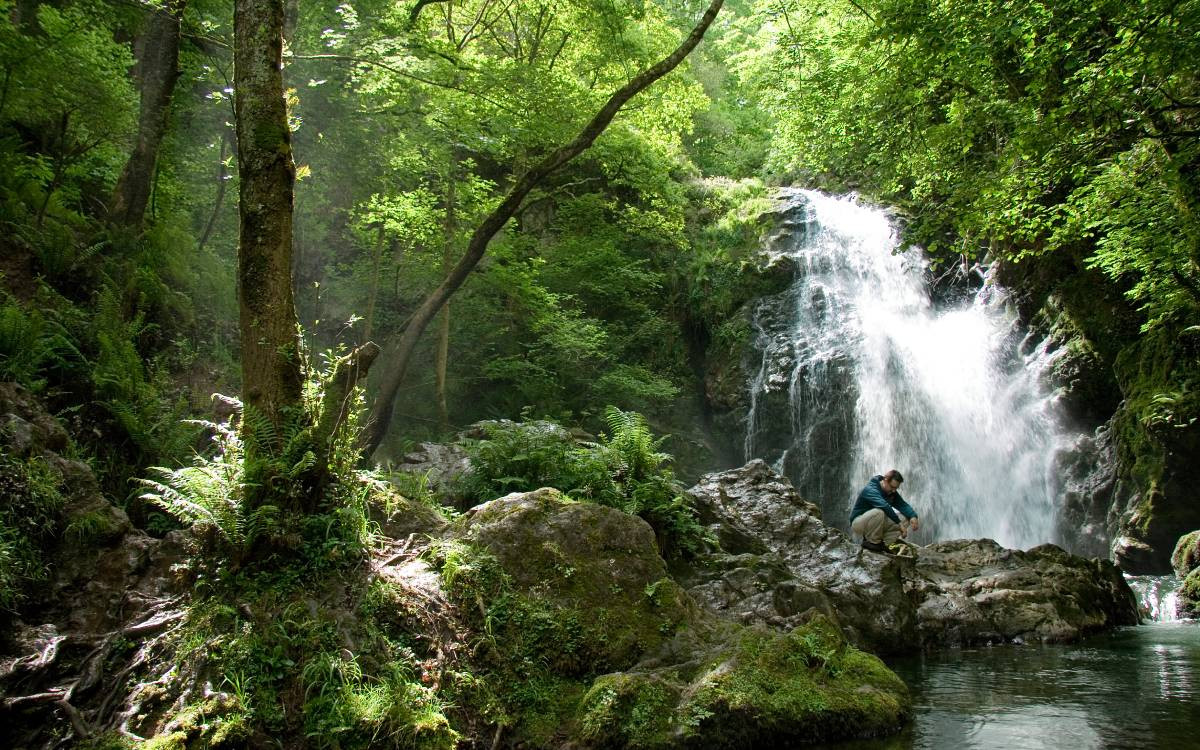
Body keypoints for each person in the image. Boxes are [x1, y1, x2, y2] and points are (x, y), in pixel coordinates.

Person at [850, 469, 919, 554]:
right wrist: (899, 524)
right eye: (892, 487)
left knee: (906, 518)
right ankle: (873, 542)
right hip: (858, 523)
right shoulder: (870, 489)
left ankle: (883, 544)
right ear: (885, 480)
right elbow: (884, 506)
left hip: (877, 523)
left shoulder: (890, 492)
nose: (894, 490)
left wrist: (913, 516)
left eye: (896, 488)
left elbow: (902, 505)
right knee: (879, 512)